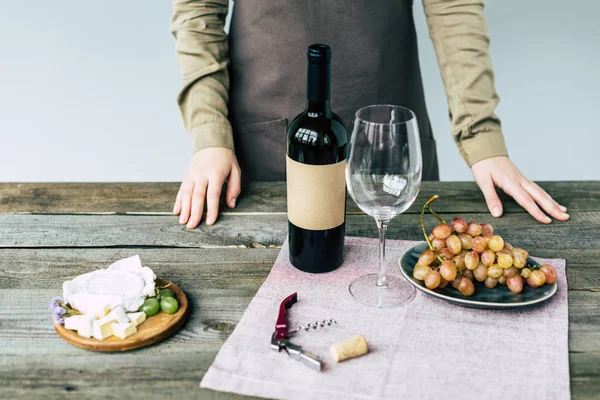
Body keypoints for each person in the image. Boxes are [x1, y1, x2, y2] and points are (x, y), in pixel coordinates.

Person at [170, 0, 569, 229]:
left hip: (389, 140)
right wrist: (209, 136)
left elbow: (453, 5)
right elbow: (198, 9)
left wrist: (482, 140)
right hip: (265, 141)